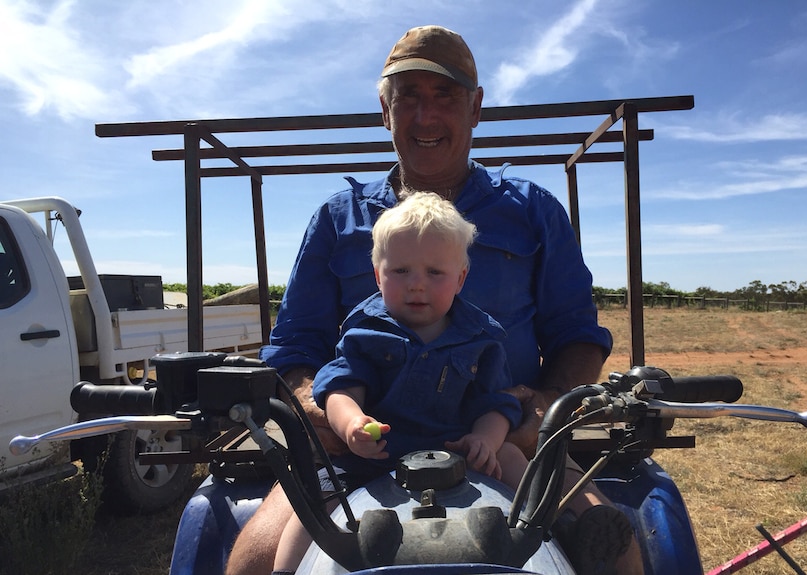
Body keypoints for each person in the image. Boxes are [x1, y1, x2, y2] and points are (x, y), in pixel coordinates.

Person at [226, 24, 643, 575]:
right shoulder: (336, 218)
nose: (425, 117)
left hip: (507, 439)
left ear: (475, 108)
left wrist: (543, 406)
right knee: (252, 562)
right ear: (385, 110)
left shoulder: (531, 210)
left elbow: (577, 334)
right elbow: (294, 344)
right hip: (357, 449)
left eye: (444, 96)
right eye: (408, 98)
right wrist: (319, 406)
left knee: (617, 555)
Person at [272, 192, 529, 573]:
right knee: (317, 501)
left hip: (456, 453)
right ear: (378, 275)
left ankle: (553, 533)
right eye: (401, 271)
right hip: (375, 455)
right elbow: (341, 388)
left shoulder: (481, 338)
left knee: (515, 461)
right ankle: (284, 569)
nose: (417, 285)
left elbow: (495, 402)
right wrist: (352, 425)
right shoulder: (365, 331)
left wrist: (485, 441)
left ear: (460, 278)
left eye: (434, 273)